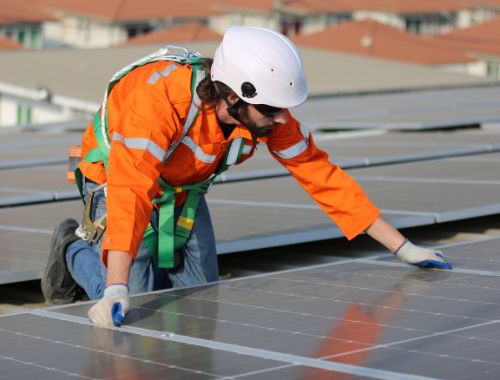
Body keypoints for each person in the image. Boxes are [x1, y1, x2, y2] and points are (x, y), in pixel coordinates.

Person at [41, 26, 451, 327]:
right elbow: (132, 188)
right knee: (133, 304)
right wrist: (116, 286)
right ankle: (71, 251)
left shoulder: (266, 114)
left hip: (183, 186)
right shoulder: (161, 101)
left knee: (200, 303)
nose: (281, 119)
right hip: (117, 175)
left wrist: (403, 248)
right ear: (232, 96)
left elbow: (319, 174)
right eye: (271, 111)